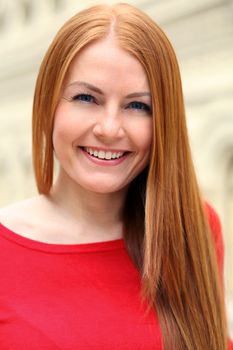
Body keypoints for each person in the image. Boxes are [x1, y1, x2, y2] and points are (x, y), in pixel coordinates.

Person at [0, 3, 232, 349]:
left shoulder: (190, 227)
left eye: (138, 105)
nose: (109, 129)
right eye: (86, 98)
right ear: (48, 104)